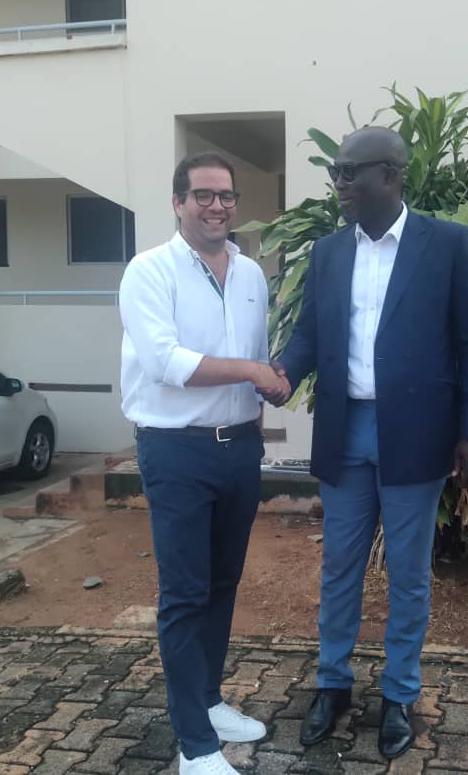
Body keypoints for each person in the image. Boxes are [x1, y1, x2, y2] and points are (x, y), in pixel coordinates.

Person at [269, 126, 468, 760]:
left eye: (350, 173)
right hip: (346, 431)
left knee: (409, 572)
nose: (339, 184)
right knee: (339, 565)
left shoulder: (445, 244)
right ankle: (333, 684)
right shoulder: (328, 252)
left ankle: (399, 691)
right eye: (335, 173)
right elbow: (311, 334)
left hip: (415, 434)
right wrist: (278, 376)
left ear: (391, 176)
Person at [119, 152, 289, 775]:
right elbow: (165, 362)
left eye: (226, 196)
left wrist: (276, 379)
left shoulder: (250, 274)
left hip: (240, 447)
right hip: (176, 450)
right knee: (185, 594)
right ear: (178, 202)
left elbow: (261, 353)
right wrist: (252, 372)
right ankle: (195, 745)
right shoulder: (148, 271)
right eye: (203, 196)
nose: (217, 206)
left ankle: (209, 700)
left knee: (222, 584)